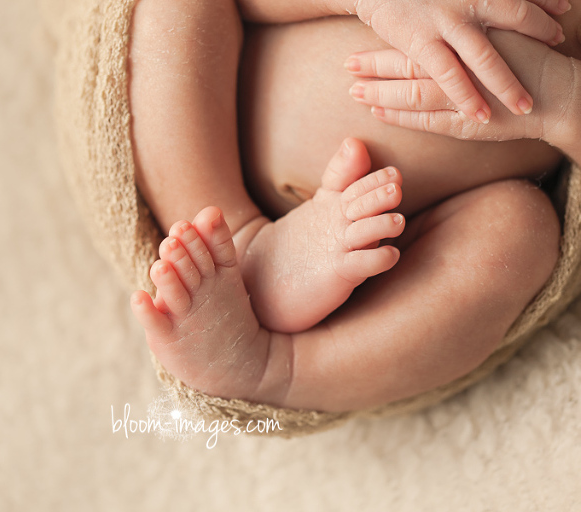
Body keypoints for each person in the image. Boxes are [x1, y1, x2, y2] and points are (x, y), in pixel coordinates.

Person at [127, 0, 580, 412]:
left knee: (522, 235)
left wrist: (561, 99)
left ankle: (275, 369)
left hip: (406, 230)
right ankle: (221, 233)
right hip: (222, 110)